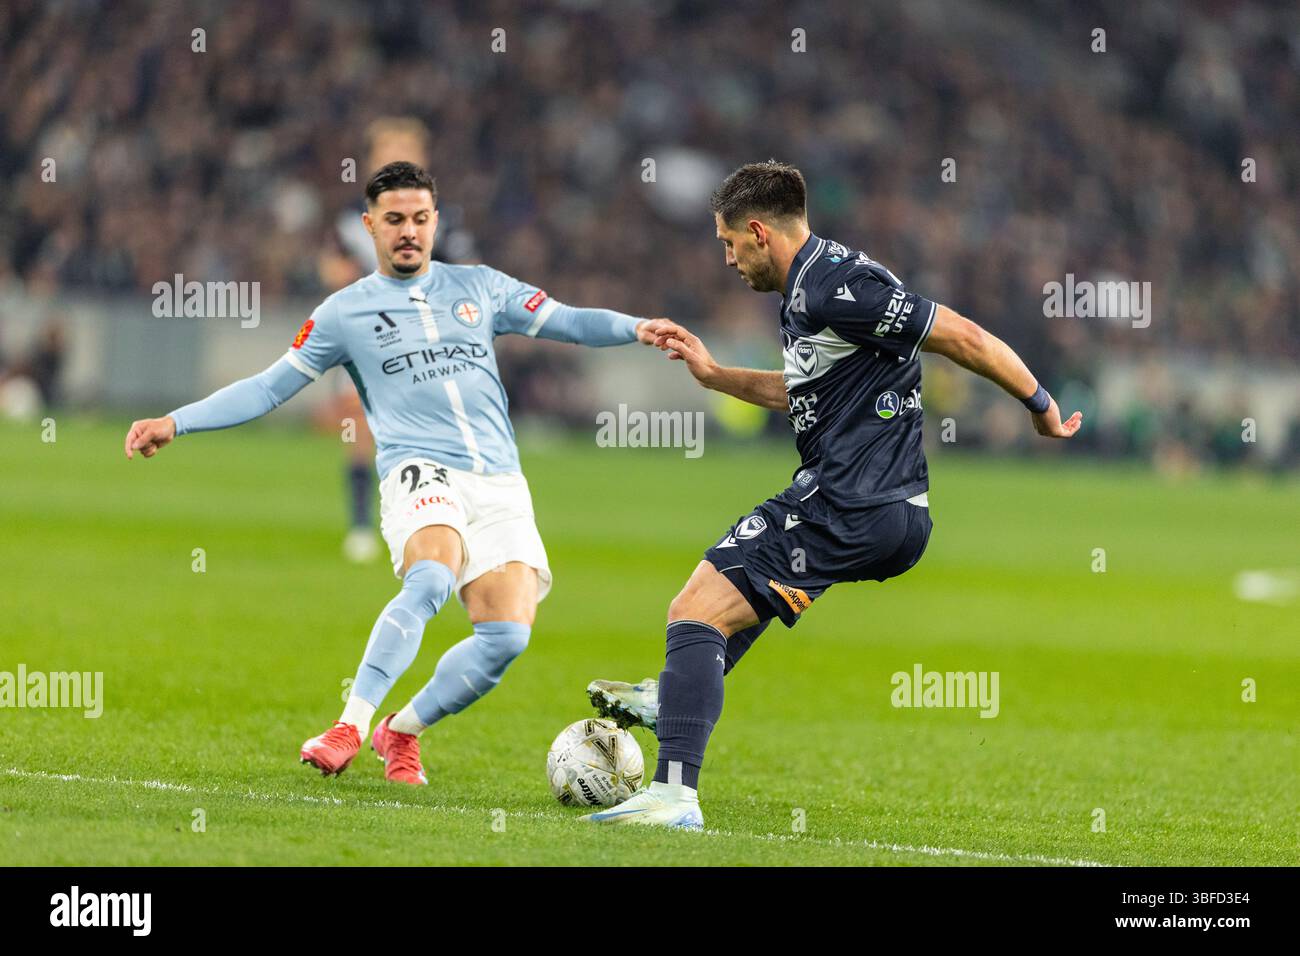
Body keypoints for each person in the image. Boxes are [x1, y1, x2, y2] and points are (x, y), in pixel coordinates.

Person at [125, 161, 670, 785]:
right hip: (419, 469)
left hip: (498, 481)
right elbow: (269, 387)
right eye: (393, 221)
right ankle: (351, 725)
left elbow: (569, 319)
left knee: (506, 639)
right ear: (370, 226)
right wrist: (177, 421)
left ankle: (401, 730)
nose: (407, 231)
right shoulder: (342, 314)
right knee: (431, 575)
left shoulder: (480, 286)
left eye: (418, 219)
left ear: (435, 222)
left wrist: (638, 327)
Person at [583, 160, 1082, 828]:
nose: (728, 260)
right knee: (730, 596)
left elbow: (962, 336)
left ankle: (675, 795)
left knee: (694, 609)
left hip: (855, 503)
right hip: (875, 509)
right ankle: (676, 694)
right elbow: (806, 395)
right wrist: (714, 376)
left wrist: (1040, 403)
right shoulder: (810, 289)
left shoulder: (837, 286)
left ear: (759, 232)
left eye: (730, 244)